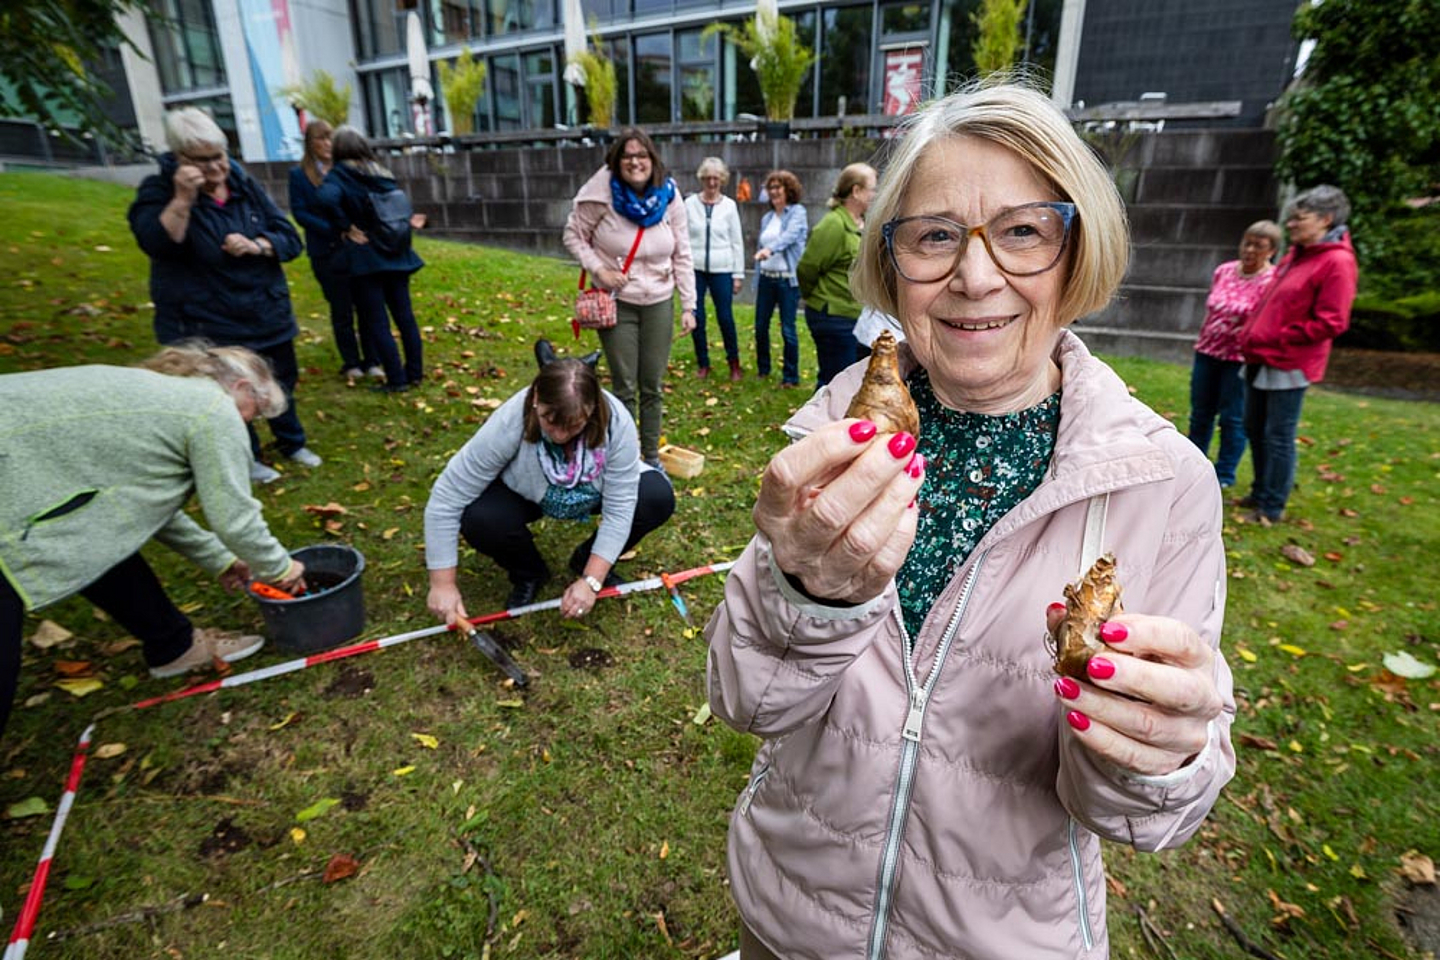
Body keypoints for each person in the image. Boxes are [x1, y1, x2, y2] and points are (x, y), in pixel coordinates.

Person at [705, 83, 1235, 960]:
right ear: (892, 257)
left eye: (1023, 230)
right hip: (789, 915)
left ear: (1076, 251)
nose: (975, 274)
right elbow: (748, 701)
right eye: (936, 234)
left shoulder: (1164, 485)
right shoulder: (832, 438)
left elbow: (1146, 820)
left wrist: (1159, 752)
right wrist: (801, 595)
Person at [0, 343, 307, 738]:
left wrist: (220, 559)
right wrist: (281, 567)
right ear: (244, 387)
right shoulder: (213, 410)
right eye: (258, 413)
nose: (251, 425)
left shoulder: (160, 399)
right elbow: (235, 518)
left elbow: (126, 511)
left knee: (96, 540)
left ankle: (173, 647)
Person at [128, 107, 321, 484]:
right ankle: (246, 457)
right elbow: (156, 243)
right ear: (180, 158)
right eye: (204, 160)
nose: (217, 168)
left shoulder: (244, 184)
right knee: (227, 392)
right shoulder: (159, 191)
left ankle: (291, 441)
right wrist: (183, 197)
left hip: (265, 308)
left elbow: (289, 237)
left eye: (220, 156)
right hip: (207, 316)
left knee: (280, 380)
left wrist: (258, 245)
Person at [424, 355, 676, 620]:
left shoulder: (617, 423)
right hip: (526, 493)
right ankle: (529, 572)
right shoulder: (511, 420)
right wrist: (443, 584)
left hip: (595, 490)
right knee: (480, 518)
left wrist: (592, 580)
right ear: (535, 398)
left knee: (655, 496)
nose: (559, 435)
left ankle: (586, 559)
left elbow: (620, 508)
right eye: (549, 421)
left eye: (573, 426)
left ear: (591, 410)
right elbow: (448, 495)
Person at [563, 128, 697, 468]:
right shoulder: (603, 195)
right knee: (624, 387)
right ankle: (622, 459)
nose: (635, 162)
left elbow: (682, 251)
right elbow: (573, 235)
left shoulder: (668, 195)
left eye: (642, 155)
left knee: (651, 385)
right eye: (627, 156)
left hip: (659, 302)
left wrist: (689, 305)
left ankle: (650, 458)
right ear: (616, 162)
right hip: (618, 302)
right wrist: (600, 270)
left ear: (652, 160)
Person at [1236, 185, 1358, 524]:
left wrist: (1281, 337)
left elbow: (1333, 321)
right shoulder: (1297, 255)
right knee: (1255, 428)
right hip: (1258, 355)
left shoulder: (1337, 261)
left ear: (1326, 219)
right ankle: (1259, 493)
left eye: (1299, 218)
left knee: (1278, 435)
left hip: (1288, 363)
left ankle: (1272, 507)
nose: (1290, 224)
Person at [317, 125, 427, 394]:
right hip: (397, 251)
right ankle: (415, 372)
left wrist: (345, 226)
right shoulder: (381, 172)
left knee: (378, 321)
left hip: (367, 257)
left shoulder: (340, 175)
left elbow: (325, 199)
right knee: (405, 316)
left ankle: (396, 379)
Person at [1185, 220, 1281, 487]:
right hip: (1207, 351)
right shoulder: (1224, 271)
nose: (1250, 250)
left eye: (1258, 246)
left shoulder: (1272, 281)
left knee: (1232, 419)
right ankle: (1193, 465)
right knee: (1200, 413)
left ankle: (1224, 473)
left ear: (1271, 251)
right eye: (1247, 243)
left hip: (1239, 359)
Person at [288, 119, 380, 382]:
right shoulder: (299, 175)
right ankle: (351, 361)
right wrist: (337, 229)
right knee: (341, 309)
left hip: (357, 250)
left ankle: (372, 359)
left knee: (366, 306)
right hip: (326, 251)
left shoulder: (349, 171)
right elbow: (301, 212)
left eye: (330, 138)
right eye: (321, 138)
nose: (327, 144)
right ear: (310, 143)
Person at [797, 162, 878, 386]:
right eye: (872, 188)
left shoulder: (861, 224)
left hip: (855, 316)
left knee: (852, 383)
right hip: (832, 316)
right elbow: (807, 268)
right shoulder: (833, 224)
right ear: (856, 191)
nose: (875, 194)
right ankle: (815, 422)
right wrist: (816, 297)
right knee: (835, 385)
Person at [684, 157, 746, 381]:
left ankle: (734, 363)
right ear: (702, 179)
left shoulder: (729, 206)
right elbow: (682, 237)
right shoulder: (689, 204)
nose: (712, 183)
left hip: (722, 268)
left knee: (725, 317)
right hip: (695, 268)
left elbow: (737, 241)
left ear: (722, 180)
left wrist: (738, 275)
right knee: (696, 315)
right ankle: (703, 363)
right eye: (708, 178)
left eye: (716, 179)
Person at [752, 169, 808, 387]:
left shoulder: (797, 212)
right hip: (766, 277)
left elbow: (789, 236)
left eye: (778, 187)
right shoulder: (767, 218)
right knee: (760, 326)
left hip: (786, 280)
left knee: (788, 329)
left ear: (788, 190)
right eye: (771, 188)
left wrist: (769, 250)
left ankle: (790, 377)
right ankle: (763, 369)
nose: (774, 192)